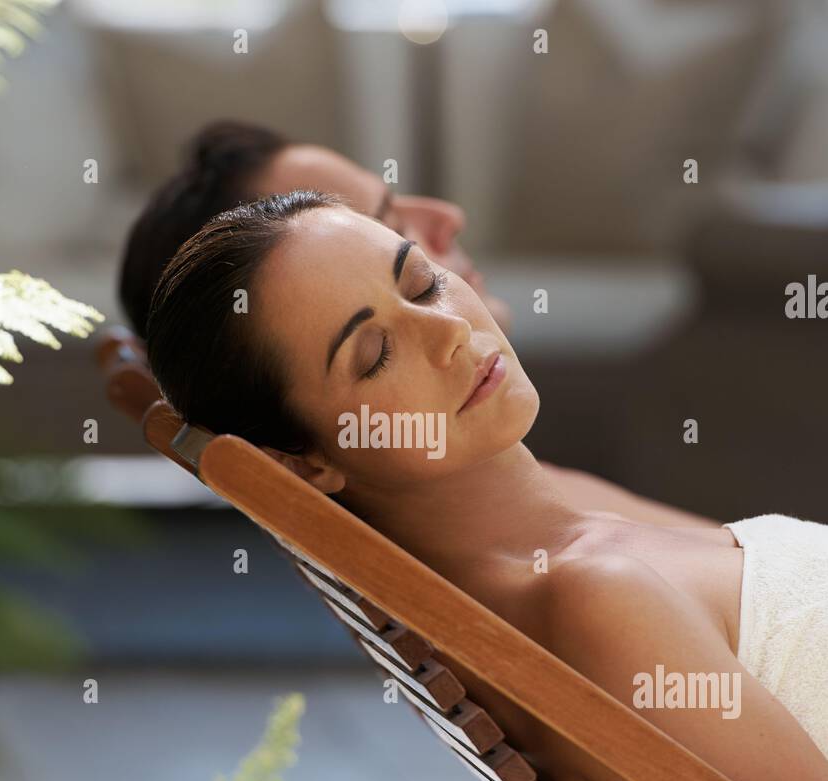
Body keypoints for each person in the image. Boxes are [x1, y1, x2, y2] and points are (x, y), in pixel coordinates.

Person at [142, 189, 828, 781]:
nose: (451, 333)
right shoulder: (594, 601)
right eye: (374, 354)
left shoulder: (558, 539)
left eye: (422, 281)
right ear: (307, 467)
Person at [118, 120, 714, 528]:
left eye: (417, 277)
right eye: (387, 224)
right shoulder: (568, 561)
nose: (448, 217)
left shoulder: (526, 495)